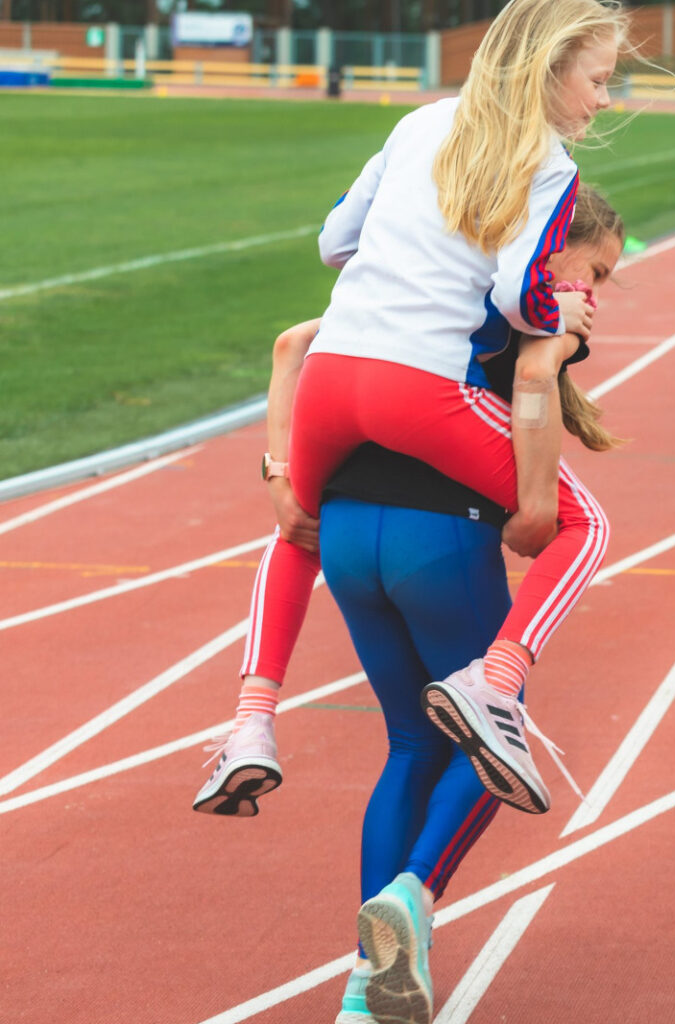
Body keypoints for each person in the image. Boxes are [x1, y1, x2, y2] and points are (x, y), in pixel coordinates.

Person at [194, 0, 621, 822]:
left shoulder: (421, 121)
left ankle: (252, 718)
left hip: (329, 378)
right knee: (584, 526)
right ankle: (496, 684)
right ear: (550, 68)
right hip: (419, 387)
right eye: (598, 79)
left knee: (296, 530)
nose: (602, 100)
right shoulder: (551, 163)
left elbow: (334, 243)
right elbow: (516, 297)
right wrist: (558, 314)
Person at [253, 189, 624, 1024]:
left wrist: (279, 472)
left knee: (412, 743)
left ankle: (366, 982)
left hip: (345, 534)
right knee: (493, 735)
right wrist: (533, 503)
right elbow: (531, 399)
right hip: (441, 534)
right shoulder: (533, 309)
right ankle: (413, 899)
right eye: (595, 270)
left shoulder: (415, 284)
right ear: (555, 242)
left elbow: (298, 352)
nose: (594, 293)